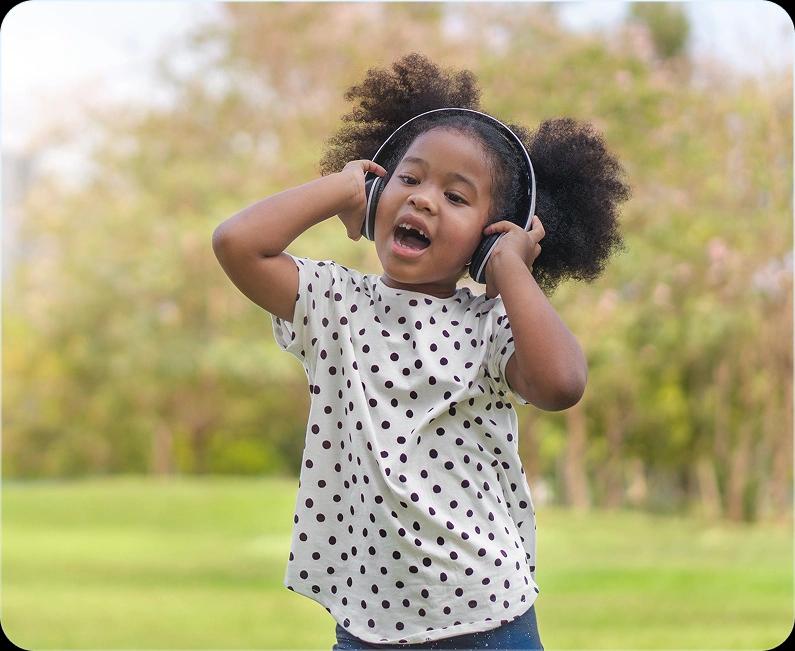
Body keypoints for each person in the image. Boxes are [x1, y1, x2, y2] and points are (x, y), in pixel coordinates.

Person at [212, 53, 630, 649]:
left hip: (488, 618)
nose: (424, 200)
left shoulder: (491, 327)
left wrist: (509, 271)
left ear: (492, 232)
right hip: (367, 626)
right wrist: (343, 187)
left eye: (457, 198)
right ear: (380, 190)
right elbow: (236, 243)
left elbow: (562, 382)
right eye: (407, 179)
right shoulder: (334, 305)